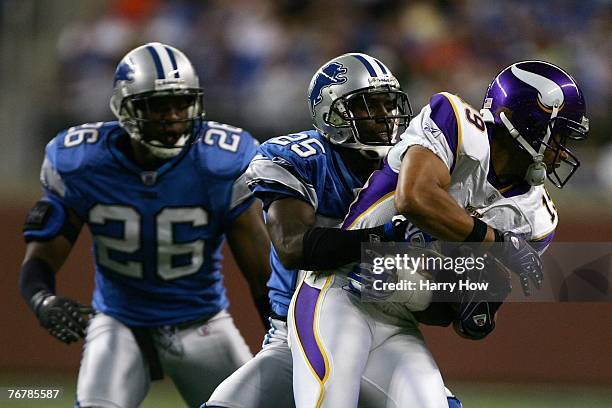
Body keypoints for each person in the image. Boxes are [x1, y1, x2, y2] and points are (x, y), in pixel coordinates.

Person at [288, 60, 589, 407]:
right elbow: (415, 198)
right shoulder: (457, 122)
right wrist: (498, 243)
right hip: (336, 292)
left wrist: (466, 306)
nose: (563, 150)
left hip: (397, 321)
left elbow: (459, 309)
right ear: (531, 124)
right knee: (328, 400)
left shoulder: (536, 218)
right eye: (561, 134)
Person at [18, 42, 272, 408]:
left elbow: (262, 274)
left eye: (181, 103)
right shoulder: (82, 161)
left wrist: (284, 340)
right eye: (158, 106)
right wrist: (43, 299)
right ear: (126, 108)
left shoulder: (222, 162)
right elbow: (41, 255)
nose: (172, 116)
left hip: (202, 324)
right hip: (120, 322)